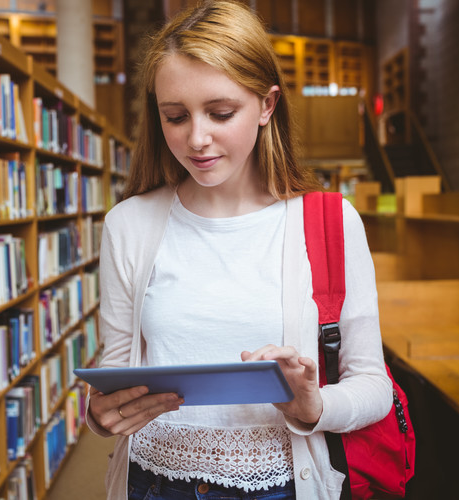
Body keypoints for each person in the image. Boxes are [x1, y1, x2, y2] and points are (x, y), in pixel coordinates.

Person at [86, 1, 392, 498]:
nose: (196, 139)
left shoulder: (332, 222)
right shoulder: (130, 224)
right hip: (154, 484)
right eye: (175, 116)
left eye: (221, 113)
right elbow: (117, 378)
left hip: (284, 484)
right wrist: (103, 415)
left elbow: (373, 385)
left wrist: (314, 406)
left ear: (267, 106)